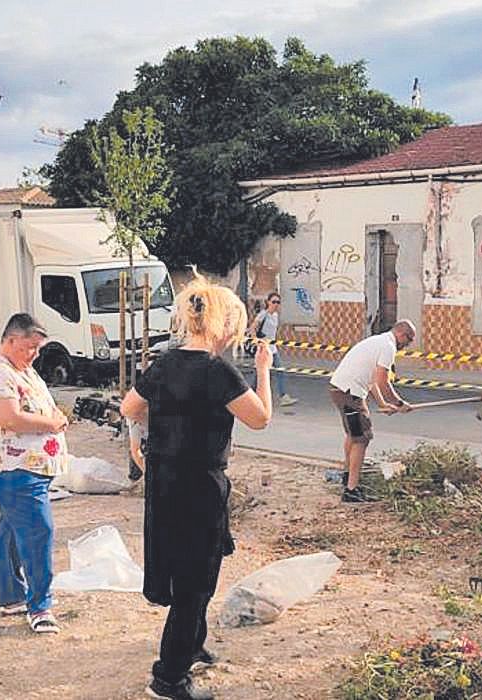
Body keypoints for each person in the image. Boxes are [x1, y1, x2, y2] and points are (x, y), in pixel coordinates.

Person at [120, 274, 274, 700]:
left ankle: (192, 644)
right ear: (223, 324)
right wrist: (263, 372)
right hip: (200, 486)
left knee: (190, 570)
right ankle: (169, 678)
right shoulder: (217, 371)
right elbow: (260, 418)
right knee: (195, 580)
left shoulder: (165, 362)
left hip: (165, 481)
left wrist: (141, 440)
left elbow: (130, 405)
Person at [0, 314, 70, 635]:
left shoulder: (18, 368)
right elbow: (9, 418)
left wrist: (54, 416)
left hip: (27, 467)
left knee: (12, 528)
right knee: (38, 530)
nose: (34, 354)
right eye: (30, 348)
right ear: (10, 340)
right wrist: (52, 424)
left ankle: (12, 595)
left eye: (38, 349)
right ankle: (40, 606)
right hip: (13, 468)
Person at [327, 320, 416, 503]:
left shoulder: (379, 342)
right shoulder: (389, 347)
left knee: (353, 434)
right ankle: (351, 490)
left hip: (341, 390)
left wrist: (383, 404)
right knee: (362, 438)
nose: (407, 345)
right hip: (350, 394)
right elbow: (383, 381)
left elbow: (373, 380)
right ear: (401, 333)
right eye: (409, 340)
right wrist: (399, 403)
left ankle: (347, 475)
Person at [246, 292, 298, 407]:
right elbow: (252, 328)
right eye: (273, 302)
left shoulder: (275, 316)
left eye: (278, 302)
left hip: (273, 349)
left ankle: (283, 396)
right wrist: (257, 341)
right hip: (264, 348)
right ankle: (249, 396)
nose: (275, 304)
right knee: (259, 374)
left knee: (280, 371)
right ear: (268, 302)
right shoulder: (263, 315)